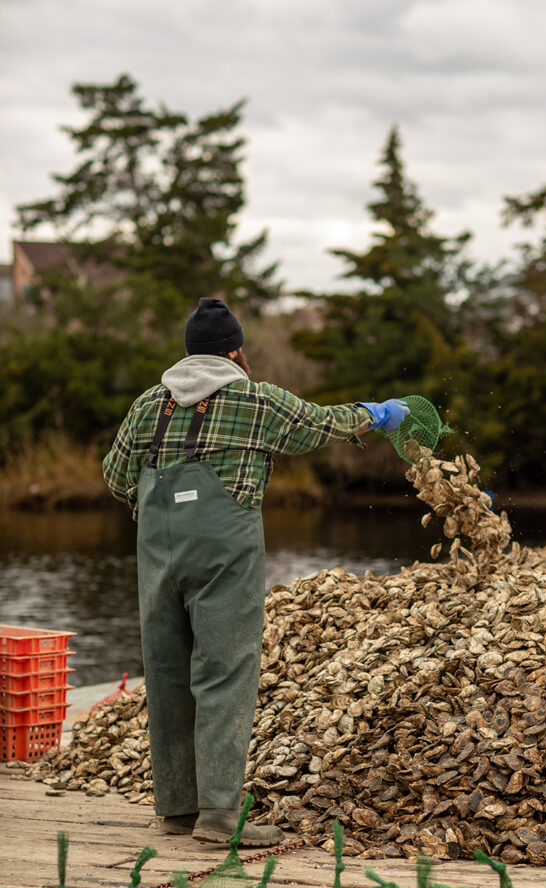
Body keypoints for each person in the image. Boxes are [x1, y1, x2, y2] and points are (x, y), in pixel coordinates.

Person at [103, 297, 408, 847]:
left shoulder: (149, 404)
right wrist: (375, 414)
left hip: (157, 557)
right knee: (224, 671)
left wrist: (154, 504)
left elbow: (116, 475)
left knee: (168, 674)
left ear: (188, 351)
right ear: (236, 352)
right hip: (223, 556)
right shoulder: (254, 398)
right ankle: (218, 817)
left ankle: (177, 808)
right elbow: (322, 424)